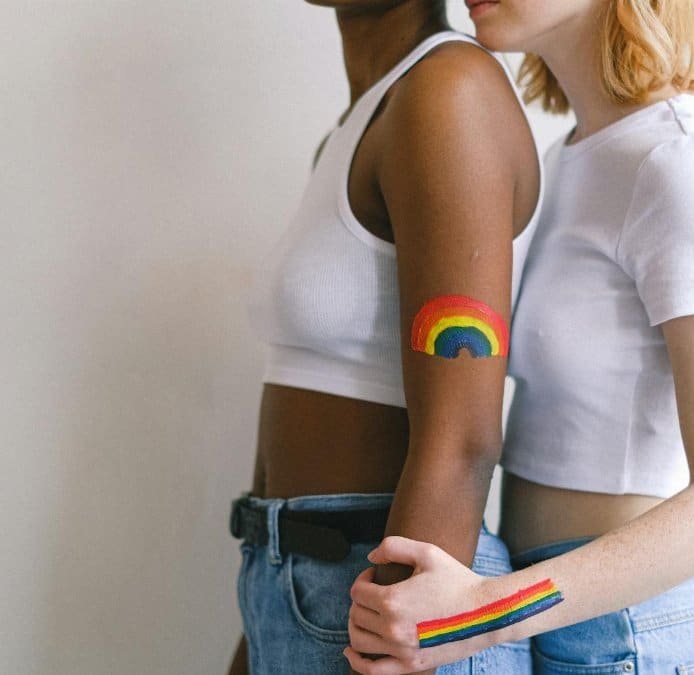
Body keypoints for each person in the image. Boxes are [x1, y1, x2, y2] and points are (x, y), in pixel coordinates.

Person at [344, 1, 694, 673]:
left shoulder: (682, 160)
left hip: (642, 639)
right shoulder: (568, 157)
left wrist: (481, 612)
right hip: (563, 630)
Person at [227, 1, 542, 673]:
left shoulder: (448, 93)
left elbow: (464, 439)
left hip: (383, 597)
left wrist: (392, 642)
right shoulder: (361, 120)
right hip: (293, 583)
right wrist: (260, 622)